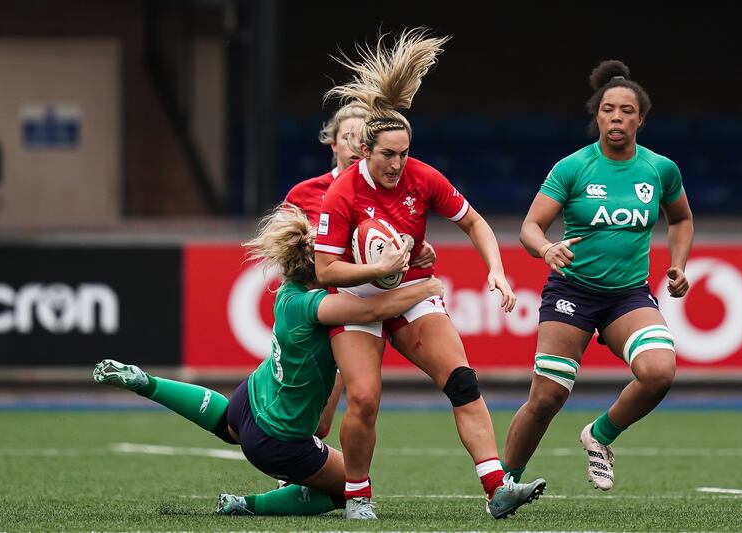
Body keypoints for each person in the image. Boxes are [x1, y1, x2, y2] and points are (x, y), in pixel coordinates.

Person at [313, 27, 546, 520]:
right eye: (387, 155)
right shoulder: (342, 195)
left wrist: (497, 272)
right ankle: (357, 495)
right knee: (364, 397)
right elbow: (325, 268)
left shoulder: (423, 177)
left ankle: (496, 487)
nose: (398, 164)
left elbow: (475, 222)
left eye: (404, 152)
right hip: (356, 300)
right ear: (366, 153)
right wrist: (377, 268)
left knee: (462, 380)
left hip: (412, 292)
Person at [93, 204, 444, 517]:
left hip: (250, 400)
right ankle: (245, 504)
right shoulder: (314, 306)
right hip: (278, 439)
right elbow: (373, 308)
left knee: (226, 424)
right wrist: (424, 287)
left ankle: (146, 383)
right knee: (352, 487)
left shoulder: (288, 294)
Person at [500, 59, 694, 491]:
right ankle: (504, 484)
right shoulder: (573, 167)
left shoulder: (660, 169)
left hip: (628, 296)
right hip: (572, 292)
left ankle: (600, 436)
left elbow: (680, 219)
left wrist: (678, 263)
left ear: (641, 119)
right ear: (598, 115)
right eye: (609, 109)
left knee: (660, 371)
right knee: (548, 397)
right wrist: (547, 248)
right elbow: (530, 228)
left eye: (627, 110)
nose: (617, 117)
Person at [284, 102, 438, 442]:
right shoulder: (304, 193)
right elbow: (282, 254)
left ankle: (315, 477)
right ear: (333, 143)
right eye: (347, 136)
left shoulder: (385, 188)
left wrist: (413, 250)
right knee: (310, 416)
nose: (354, 144)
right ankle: (294, 478)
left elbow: (393, 241)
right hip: (316, 306)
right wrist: (312, 250)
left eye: (359, 136)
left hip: (353, 307)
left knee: (334, 413)